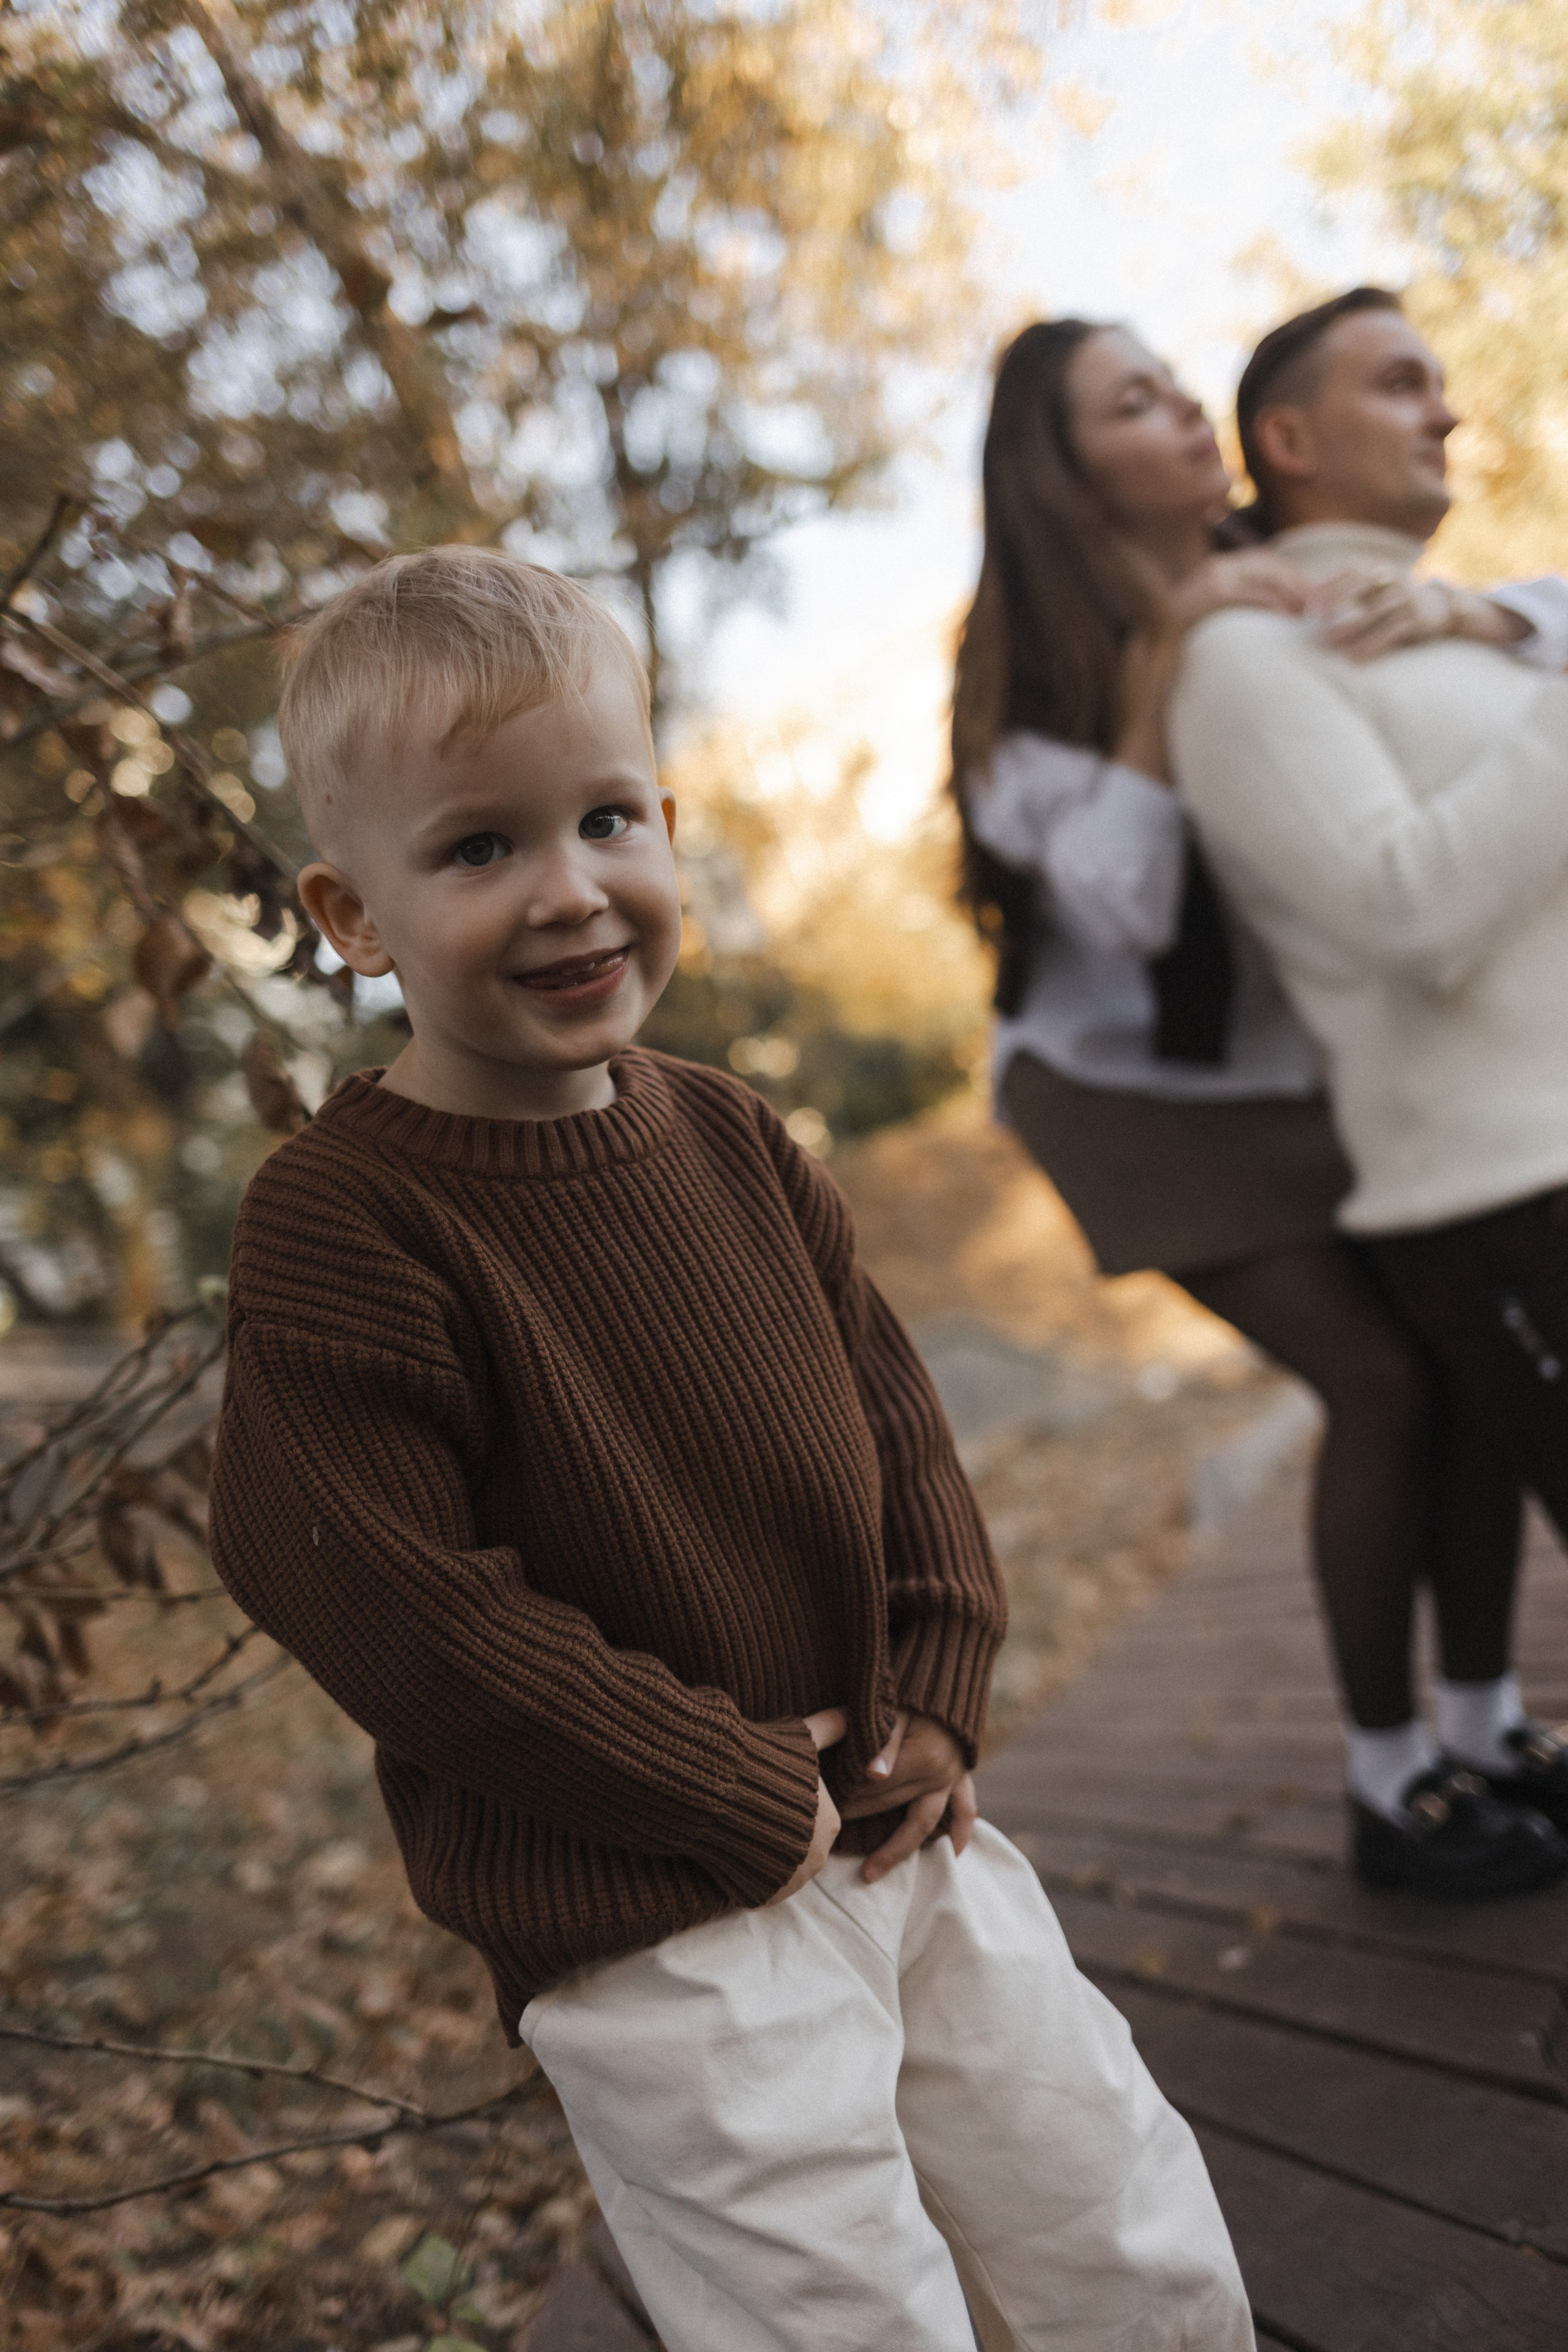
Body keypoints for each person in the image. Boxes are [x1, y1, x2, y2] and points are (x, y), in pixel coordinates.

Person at [208, 548, 1254, 2352]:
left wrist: (938, 1677)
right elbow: (391, 1600)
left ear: (669, 824)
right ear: (353, 914)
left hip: (897, 1824)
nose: (572, 893)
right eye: (479, 849)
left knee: (1114, 2223)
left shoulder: (734, 1138)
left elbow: (894, 1421)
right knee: (832, 2312)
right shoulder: (345, 1220)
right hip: (651, 1913)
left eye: (608, 819)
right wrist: (719, 1784)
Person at [952, 317, 1568, 1899]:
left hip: (1283, 1069)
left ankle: (1493, 1728)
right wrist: (1171, 663)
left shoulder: (1268, 563)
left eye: (1178, 389)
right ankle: (1389, 1781)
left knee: (1460, 1355)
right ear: (1059, 460)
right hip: (1128, 1094)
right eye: (1133, 404)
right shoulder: (1023, 662)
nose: (1182, 417)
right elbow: (1134, 908)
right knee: (1377, 1380)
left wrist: (1467, 613)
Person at [1168, 285, 1568, 1886]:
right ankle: (1411, 1765)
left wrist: (1517, 630)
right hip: (1503, 1191)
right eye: (1400, 385)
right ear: (1289, 440)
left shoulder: (1471, 624)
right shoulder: (1248, 662)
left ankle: (1475, 1739)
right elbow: (1405, 909)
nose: (1447, 412)